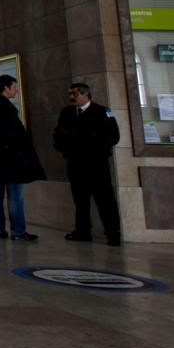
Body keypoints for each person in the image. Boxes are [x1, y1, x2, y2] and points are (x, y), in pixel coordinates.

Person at [0, 74, 45, 241]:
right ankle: (18, 232)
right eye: (14, 87)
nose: (16, 90)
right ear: (6, 88)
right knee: (15, 196)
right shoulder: (6, 109)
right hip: (11, 161)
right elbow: (16, 136)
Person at [53, 82, 122, 246]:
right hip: (76, 163)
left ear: (86, 94)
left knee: (105, 200)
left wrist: (96, 149)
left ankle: (112, 233)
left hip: (97, 164)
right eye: (70, 94)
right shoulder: (67, 113)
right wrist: (63, 149)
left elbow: (113, 136)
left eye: (74, 94)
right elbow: (58, 134)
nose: (71, 98)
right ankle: (82, 231)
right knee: (80, 200)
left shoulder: (103, 112)